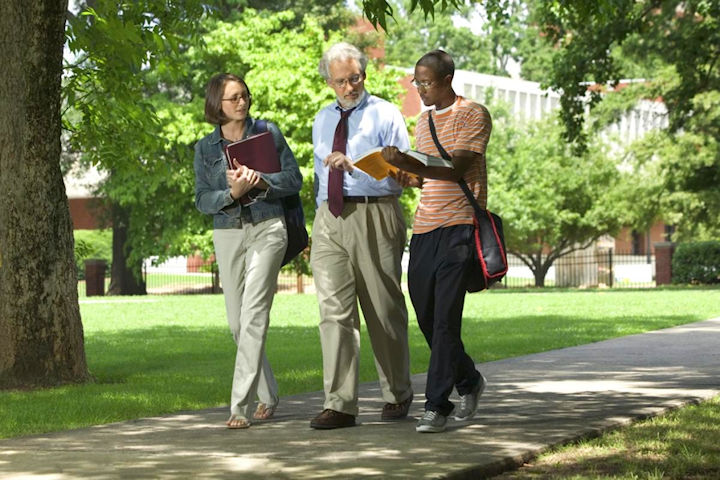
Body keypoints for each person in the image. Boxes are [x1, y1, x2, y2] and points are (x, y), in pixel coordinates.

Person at [383, 50, 491, 433]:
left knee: (446, 318)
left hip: (460, 226)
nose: (420, 89)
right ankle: (469, 381)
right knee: (428, 318)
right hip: (425, 228)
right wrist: (403, 175)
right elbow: (428, 177)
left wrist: (410, 163)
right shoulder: (424, 120)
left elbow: (456, 167)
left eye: (425, 82)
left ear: (447, 79)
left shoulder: (473, 114)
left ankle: (436, 406)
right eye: (417, 82)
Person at [309, 42, 413, 429]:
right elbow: (321, 175)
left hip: (375, 212)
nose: (350, 87)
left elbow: (404, 172)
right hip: (329, 216)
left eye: (355, 78)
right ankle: (339, 403)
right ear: (329, 82)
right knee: (333, 312)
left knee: (383, 309)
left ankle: (397, 392)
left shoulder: (385, 113)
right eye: (341, 81)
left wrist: (358, 167)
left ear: (363, 75)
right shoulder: (321, 119)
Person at [193, 73, 303, 429]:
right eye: (234, 98)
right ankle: (269, 394)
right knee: (237, 323)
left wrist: (262, 180)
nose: (242, 102)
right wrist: (232, 194)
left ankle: (238, 405)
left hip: (269, 227)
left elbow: (294, 179)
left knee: (254, 313)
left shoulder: (267, 133)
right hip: (228, 231)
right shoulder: (204, 149)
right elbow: (201, 200)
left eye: (245, 95)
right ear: (217, 105)